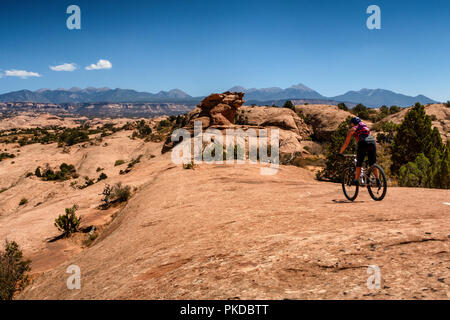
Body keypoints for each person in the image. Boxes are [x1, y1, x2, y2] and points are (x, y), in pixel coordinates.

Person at [339, 117, 380, 186]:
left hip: (363, 143)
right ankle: (377, 180)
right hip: (372, 142)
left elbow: (346, 143)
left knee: (359, 163)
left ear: (352, 124)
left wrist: (340, 152)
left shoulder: (352, 129)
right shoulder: (365, 127)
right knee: (372, 163)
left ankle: (356, 180)